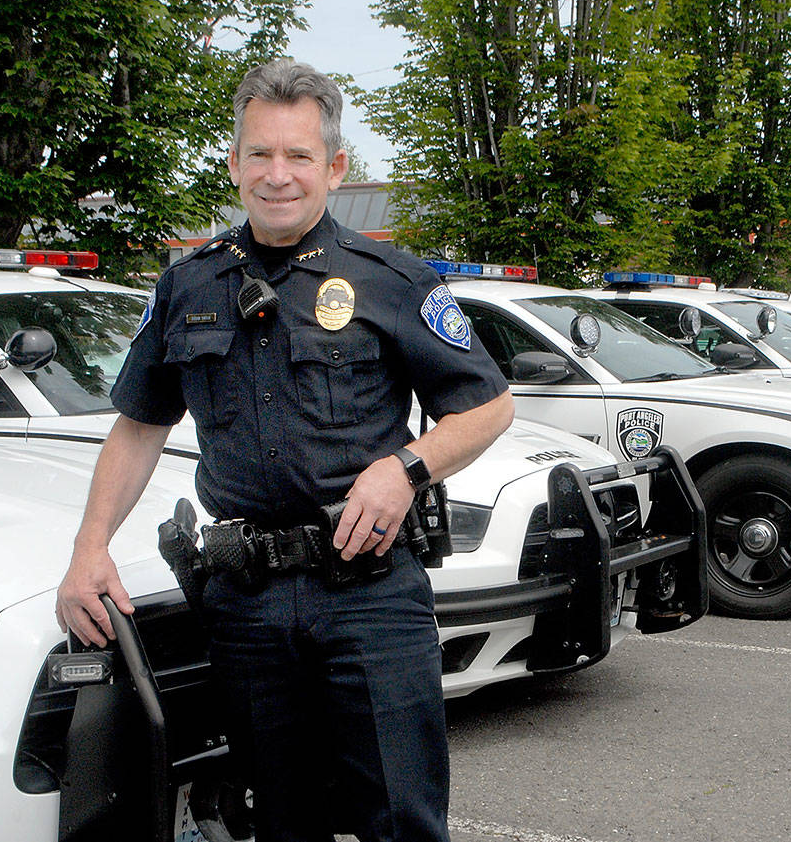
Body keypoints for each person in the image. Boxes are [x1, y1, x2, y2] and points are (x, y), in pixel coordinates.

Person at [56, 57, 514, 841]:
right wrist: (88, 546)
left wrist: (405, 468)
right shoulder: (187, 285)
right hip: (247, 601)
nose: (278, 175)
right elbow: (138, 424)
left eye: (299, 156)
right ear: (233, 164)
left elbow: (489, 405)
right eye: (259, 155)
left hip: (370, 593)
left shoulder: (393, 280)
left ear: (333, 167)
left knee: (400, 819)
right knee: (278, 818)